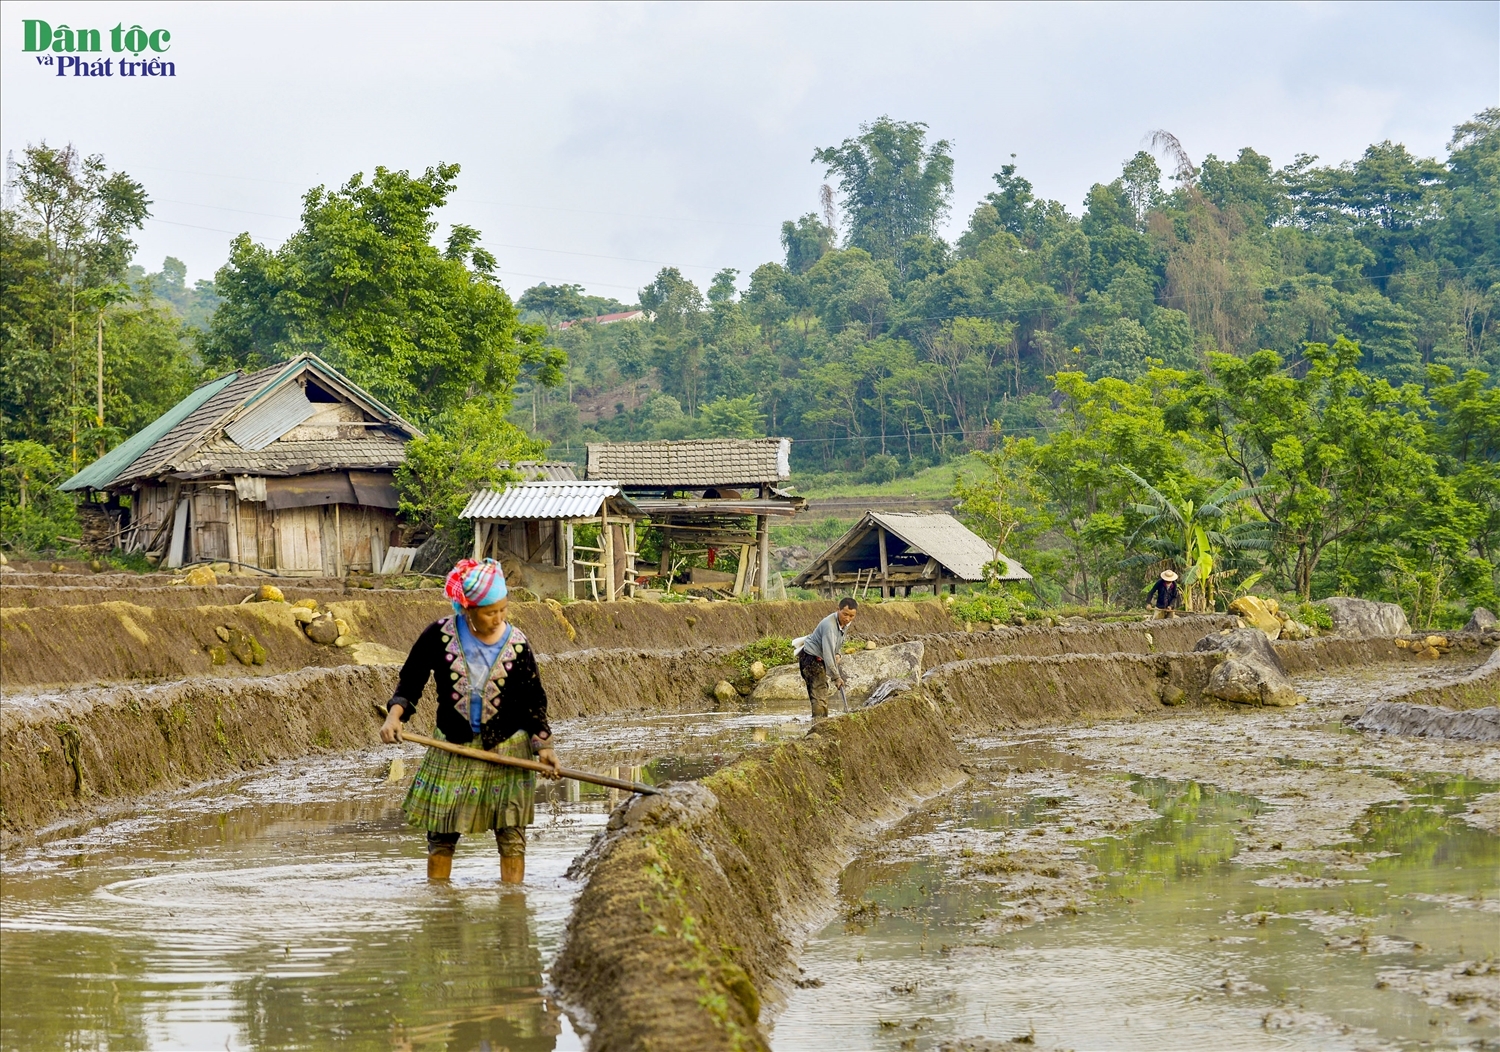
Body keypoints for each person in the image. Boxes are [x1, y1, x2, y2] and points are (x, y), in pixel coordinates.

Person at [379, 558, 561, 883]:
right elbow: (411, 679)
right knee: (441, 835)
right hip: (453, 744)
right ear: (468, 609)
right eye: (491, 612)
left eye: (503, 610)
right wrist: (395, 716)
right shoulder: (440, 634)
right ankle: (439, 903)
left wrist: (543, 746)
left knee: (511, 837)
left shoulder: (517, 643)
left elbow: (533, 698)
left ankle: (512, 905)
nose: (498, 618)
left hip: (507, 748)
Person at [796, 597, 857, 718]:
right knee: (819, 692)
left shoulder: (844, 623)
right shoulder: (829, 626)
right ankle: (819, 726)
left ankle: (820, 721)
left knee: (821, 691)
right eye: (845, 614)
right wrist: (836, 677)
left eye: (851, 616)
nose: (847, 618)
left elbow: (836, 643)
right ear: (837, 610)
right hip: (811, 659)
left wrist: (838, 653)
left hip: (819, 657)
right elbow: (828, 653)